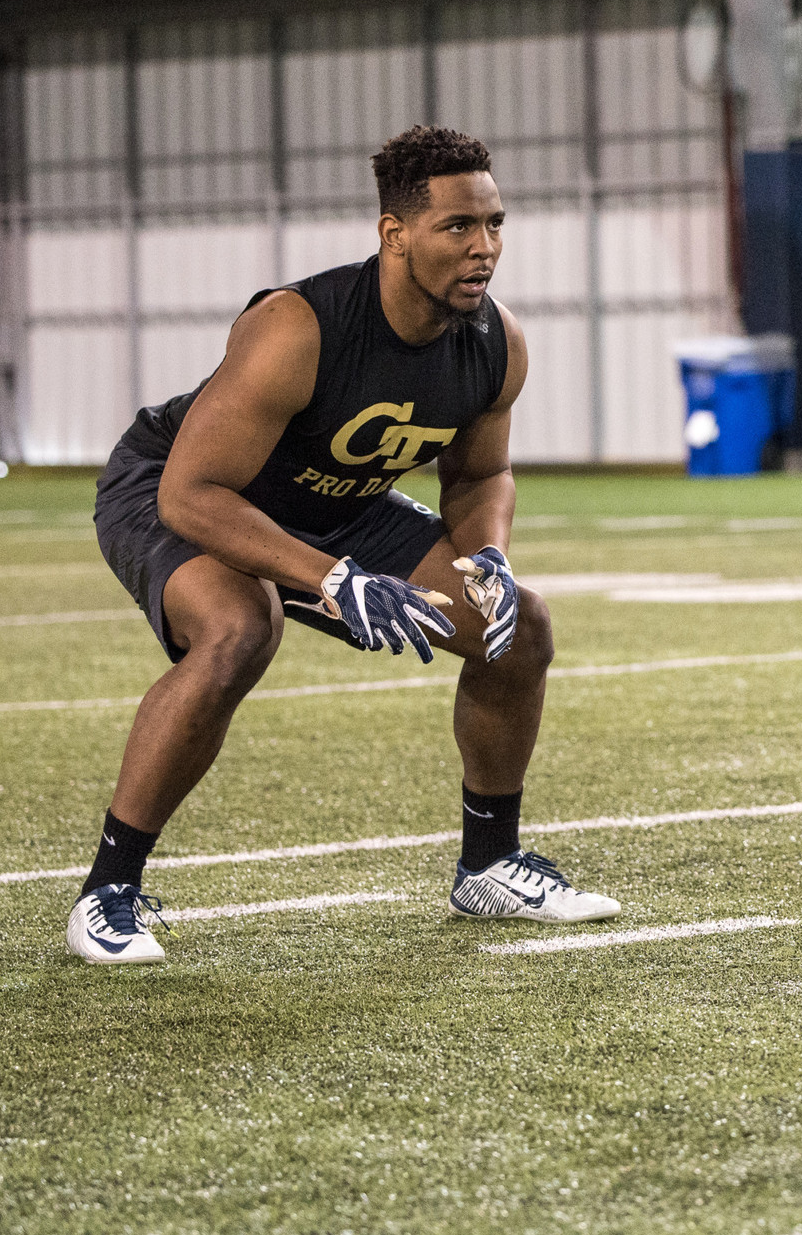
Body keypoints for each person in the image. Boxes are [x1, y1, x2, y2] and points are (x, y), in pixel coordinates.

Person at [70, 125, 619, 965]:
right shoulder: (300, 326)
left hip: (335, 500)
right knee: (241, 628)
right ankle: (107, 892)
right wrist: (332, 577)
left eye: (494, 224)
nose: (484, 248)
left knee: (518, 630)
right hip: (178, 486)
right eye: (458, 226)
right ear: (394, 234)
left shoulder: (495, 341)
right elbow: (192, 493)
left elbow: (480, 475)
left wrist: (490, 557)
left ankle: (489, 865)